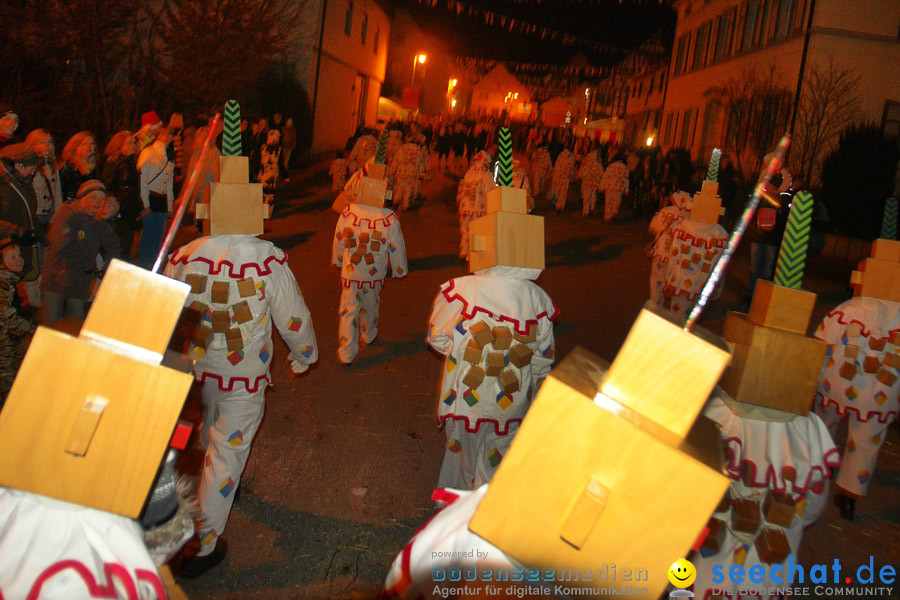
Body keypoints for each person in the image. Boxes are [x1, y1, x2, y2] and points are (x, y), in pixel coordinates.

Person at [165, 193, 319, 577]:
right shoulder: (267, 259)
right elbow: (294, 319)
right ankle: (202, 544)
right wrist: (305, 355)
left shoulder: (184, 256)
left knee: (211, 423)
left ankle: (207, 481)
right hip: (243, 378)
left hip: (199, 369)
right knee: (226, 452)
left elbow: (165, 308)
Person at [426, 258, 557, 490]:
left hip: (466, 404)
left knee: (459, 465)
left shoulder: (460, 292)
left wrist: (459, 351)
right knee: (496, 466)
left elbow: (436, 337)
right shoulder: (538, 300)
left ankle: (451, 515)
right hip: (512, 405)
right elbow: (542, 360)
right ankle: (482, 513)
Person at [331, 188, 408, 364]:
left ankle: (346, 351)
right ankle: (368, 333)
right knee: (370, 303)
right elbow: (397, 246)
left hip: (351, 272)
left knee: (348, 309)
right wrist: (399, 268)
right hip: (374, 274)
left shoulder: (349, 212)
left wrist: (337, 259)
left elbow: (339, 239)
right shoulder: (389, 218)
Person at [40, 180, 121, 323]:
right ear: (81, 197)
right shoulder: (66, 214)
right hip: (57, 277)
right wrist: (90, 268)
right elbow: (64, 245)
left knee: (75, 322)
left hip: (79, 281)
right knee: (50, 322)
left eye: (101, 199)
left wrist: (107, 268)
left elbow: (114, 245)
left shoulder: (97, 220)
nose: (97, 203)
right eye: (92, 198)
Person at [0, 144, 44, 307]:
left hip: (18, 247)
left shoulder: (23, 182)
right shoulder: (3, 186)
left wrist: (46, 236)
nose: (34, 172)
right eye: (31, 168)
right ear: (18, 165)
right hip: (5, 249)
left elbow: (30, 214)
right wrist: (17, 232)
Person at [0, 236, 35, 407]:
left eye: (19, 256)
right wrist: (28, 328)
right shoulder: (3, 283)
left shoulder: (11, 279)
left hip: (13, 340)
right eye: (12, 257)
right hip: (5, 344)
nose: (18, 260)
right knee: (6, 380)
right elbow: (6, 315)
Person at [137, 127, 174, 269]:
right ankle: (142, 265)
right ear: (157, 135)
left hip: (162, 200)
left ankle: (152, 264)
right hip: (151, 197)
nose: (166, 136)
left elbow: (169, 182)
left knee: (158, 236)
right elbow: (142, 180)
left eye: (169, 133)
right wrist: (145, 204)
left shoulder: (169, 154)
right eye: (163, 133)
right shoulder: (149, 152)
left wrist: (169, 206)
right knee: (148, 235)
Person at [100, 131, 142, 259]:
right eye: (129, 143)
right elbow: (107, 186)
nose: (133, 145)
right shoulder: (114, 162)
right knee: (117, 250)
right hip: (118, 214)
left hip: (128, 212)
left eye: (134, 142)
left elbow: (134, 189)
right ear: (119, 145)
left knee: (126, 248)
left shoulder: (130, 162)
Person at [456, 151, 495, 260]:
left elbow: (462, 189)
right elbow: (490, 192)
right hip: (479, 208)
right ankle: (472, 256)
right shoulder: (486, 174)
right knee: (477, 232)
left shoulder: (469, 172)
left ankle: (464, 250)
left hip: (465, 207)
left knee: (465, 230)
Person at [24, 129, 63, 228]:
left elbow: (57, 191)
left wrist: (59, 214)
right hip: (36, 214)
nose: (47, 146)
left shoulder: (52, 164)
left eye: (49, 142)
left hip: (51, 213)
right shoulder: (28, 166)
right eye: (42, 142)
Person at [59, 131, 97, 202]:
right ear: (75, 147)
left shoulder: (95, 167)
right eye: (84, 144)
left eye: (91, 144)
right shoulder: (67, 168)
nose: (89, 147)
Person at [388, 134, 424, 211]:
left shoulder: (401, 148)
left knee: (398, 188)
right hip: (412, 173)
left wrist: (391, 171)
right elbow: (420, 163)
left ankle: (396, 202)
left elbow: (396, 160)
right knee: (408, 189)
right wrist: (421, 173)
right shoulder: (418, 150)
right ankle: (405, 205)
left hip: (401, 172)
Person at [598, 153, 629, 222]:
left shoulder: (610, 167)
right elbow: (626, 179)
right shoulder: (624, 168)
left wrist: (601, 187)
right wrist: (626, 189)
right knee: (616, 201)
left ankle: (607, 217)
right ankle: (614, 213)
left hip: (609, 187)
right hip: (619, 188)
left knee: (609, 201)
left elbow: (605, 177)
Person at [577, 141, 604, 217]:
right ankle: (591, 208)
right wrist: (600, 178)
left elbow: (584, 167)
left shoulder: (588, 157)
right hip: (595, 181)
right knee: (593, 195)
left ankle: (586, 211)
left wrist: (579, 175)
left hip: (587, 180)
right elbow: (601, 170)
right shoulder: (599, 158)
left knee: (586, 195)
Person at [547, 145, 575, 212]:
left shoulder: (561, 155)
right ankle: (560, 206)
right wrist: (572, 177)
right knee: (563, 192)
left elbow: (557, 165)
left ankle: (556, 202)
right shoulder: (572, 157)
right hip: (566, 177)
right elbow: (572, 168)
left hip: (558, 176)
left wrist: (554, 175)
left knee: (557, 190)